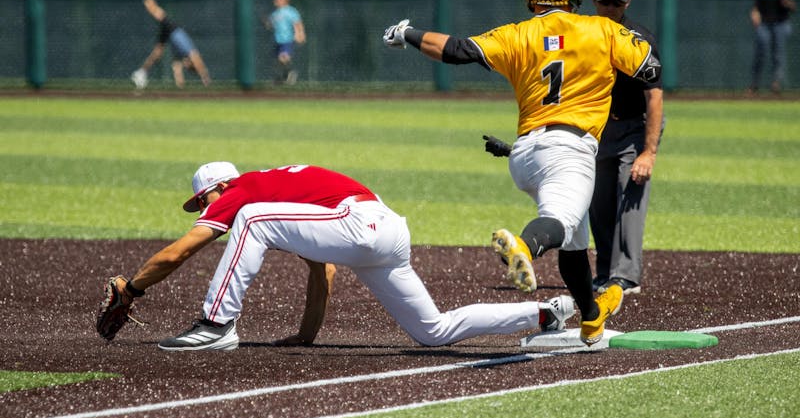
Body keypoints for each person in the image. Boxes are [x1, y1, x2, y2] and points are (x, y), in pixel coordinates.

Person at [383, 0, 661, 345]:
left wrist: (407, 32)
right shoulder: (601, 29)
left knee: (575, 245)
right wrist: (624, 41)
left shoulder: (517, 33)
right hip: (570, 149)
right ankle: (525, 247)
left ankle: (592, 319)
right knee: (559, 224)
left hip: (526, 152)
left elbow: (457, 50)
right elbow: (650, 69)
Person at [104, 161, 576, 351]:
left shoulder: (242, 191)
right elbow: (322, 269)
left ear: (218, 187)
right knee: (433, 332)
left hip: (360, 223)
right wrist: (305, 337)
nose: (204, 210)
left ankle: (215, 325)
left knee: (251, 220)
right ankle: (544, 314)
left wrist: (134, 287)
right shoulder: (282, 194)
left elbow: (181, 252)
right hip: (383, 231)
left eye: (202, 201)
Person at [589, 0, 665, 296]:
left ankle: (626, 276)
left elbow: (655, 97)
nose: (610, 8)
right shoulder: (585, 36)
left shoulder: (639, 40)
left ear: (627, 3)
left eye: (616, 3)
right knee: (598, 203)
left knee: (629, 197)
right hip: (599, 130)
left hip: (635, 127)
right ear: (594, 2)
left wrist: (649, 152)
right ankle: (605, 271)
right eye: (605, 2)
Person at [130, 0, 211, 90]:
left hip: (170, 35)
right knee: (161, 17)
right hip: (174, 30)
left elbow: (177, 67)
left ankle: (142, 72)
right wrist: (205, 77)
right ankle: (151, 4)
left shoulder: (181, 55)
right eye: (188, 65)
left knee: (157, 53)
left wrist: (180, 86)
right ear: (190, 63)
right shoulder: (188, 51)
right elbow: (196, 57)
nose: (185, 64)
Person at [748, 0, 796, 96]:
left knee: (778, 54)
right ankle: (754, 84)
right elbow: (755, 7)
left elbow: (793, 8)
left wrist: (787, 2)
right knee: (760, 51)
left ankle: (776, 83)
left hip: (781, 23)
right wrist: (754, 14)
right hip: (765, 24)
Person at [262, 0, 306, 85]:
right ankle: (280, 78)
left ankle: (290, 73)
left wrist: (300, 34)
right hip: (277, 40)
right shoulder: (274, 14)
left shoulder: (291, 11)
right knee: (278, 61)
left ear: (285, 0)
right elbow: (270, 26)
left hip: (287, 39)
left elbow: (297, 23)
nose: (275, 1)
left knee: (283, 57)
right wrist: (267, 23)